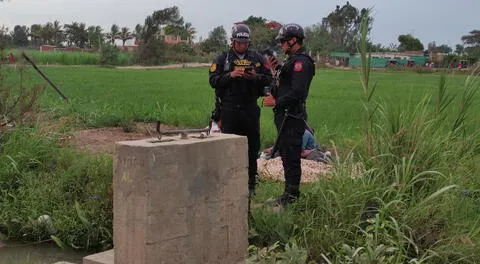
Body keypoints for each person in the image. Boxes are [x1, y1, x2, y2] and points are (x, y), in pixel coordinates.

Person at [209, 23, 272, 198]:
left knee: (252, 147)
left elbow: (269, 80)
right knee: (228, 146)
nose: (242, 46)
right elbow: (213, 81)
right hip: (229, 110)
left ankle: (251, 183)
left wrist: (255, 77)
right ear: (232, 41)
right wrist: (231, 75)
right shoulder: (223, 59)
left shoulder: (258, 58)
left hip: (250, 109)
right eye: (239, 42)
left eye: (245, 43)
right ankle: (227, 182)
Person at [263, 23, 315, 206]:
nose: (282, 45)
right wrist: (275, 71)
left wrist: (276, 102)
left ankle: (291, 196)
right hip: (285, 116)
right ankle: (288, 194)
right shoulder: (292, 61)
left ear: (293, 40)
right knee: (286, 155)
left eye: (284, 41)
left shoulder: (302, 62)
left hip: (292, 117)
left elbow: (298, 93)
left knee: (291, 157)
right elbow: (284, 85)